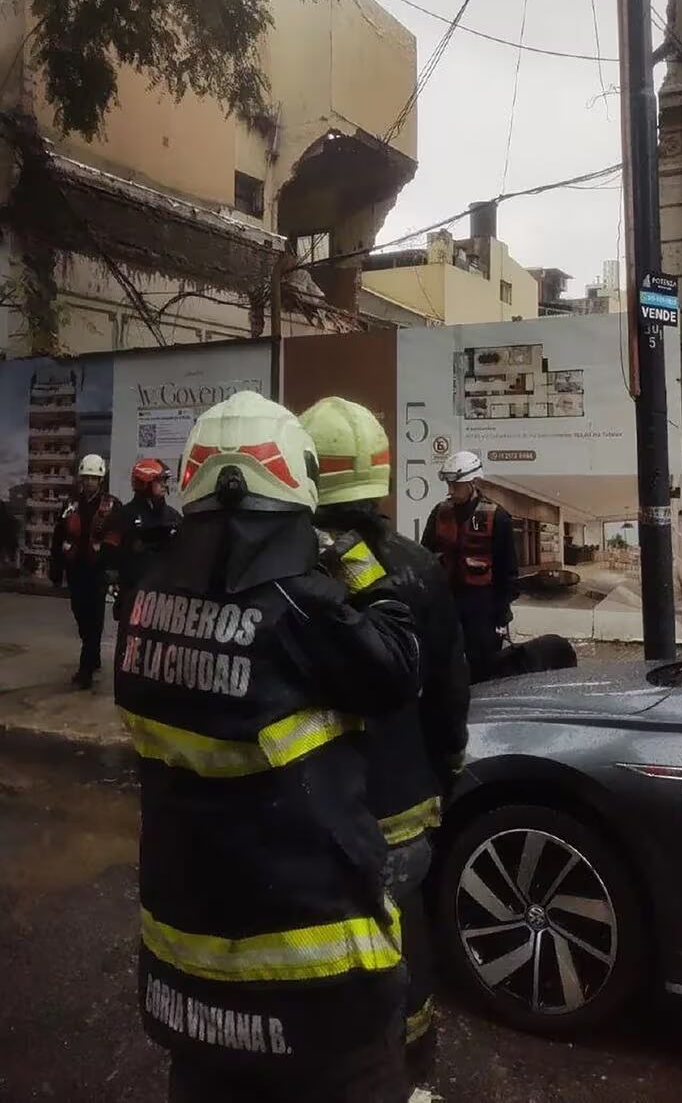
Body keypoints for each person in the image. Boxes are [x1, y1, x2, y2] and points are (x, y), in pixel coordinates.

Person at [113, 391, 419, 1103]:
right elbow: (397, 663)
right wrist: (354, 565)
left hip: (184, 977)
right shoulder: (299, 601)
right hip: (316, 989)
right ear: (293, 481)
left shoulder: (147, 597)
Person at [301, 396, 470, 1085]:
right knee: (405, 942)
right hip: (403, 809)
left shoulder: (290, 574)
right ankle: (410, 1071)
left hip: (316, 815)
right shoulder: (415, 566)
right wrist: (444, 766)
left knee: (318, 951)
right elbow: (449, 689)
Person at [421, 450, 519, 684]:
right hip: (446, 599)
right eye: (449, 484)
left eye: (457, 485)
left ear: (473, 483)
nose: (451, 490)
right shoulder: (439, 513)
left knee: (483, 663)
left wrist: (502, 610)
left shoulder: (498, 517)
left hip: (482, 604)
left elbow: (508, 570)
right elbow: (424, 554)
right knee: (443, 658)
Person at [50, 453, 121, 689]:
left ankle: (86, 670)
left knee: (94, 620)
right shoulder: (70, 504)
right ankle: (94, 653)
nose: (90, 482)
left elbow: (118, 540)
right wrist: (56, 568)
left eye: (94, 478)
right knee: (81, 617)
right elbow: (59, 535)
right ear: (81, 478)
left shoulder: (112, 505)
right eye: (86, 477)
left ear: (101, 479)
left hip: (97, 572)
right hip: (75, 570)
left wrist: (115, 571)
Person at [105, 458, 182, 614]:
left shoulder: (173, 517)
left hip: (164, 598)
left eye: (165, 481)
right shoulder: (123, 516)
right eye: (160, 481)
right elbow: (110, 556)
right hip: (132, 595)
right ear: (145, 484)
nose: (165, 485)